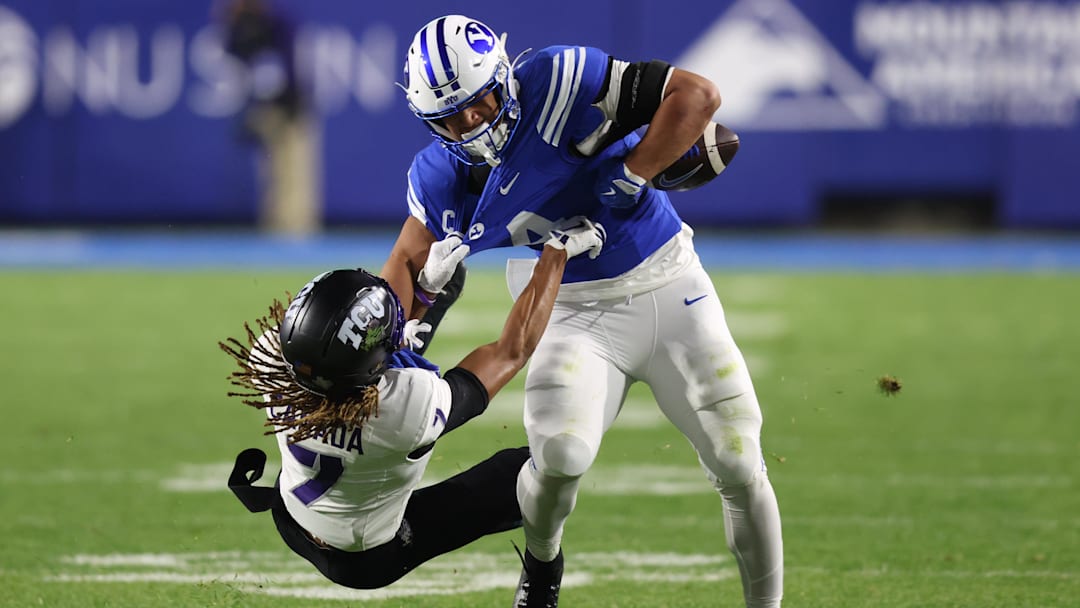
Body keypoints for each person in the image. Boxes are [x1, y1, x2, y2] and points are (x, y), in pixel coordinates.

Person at [385, 15, 784, 608]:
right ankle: (543, 566)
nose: (470, 122)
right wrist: (390, 339)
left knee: (738, 458)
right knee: (559, 456)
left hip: (667, 282)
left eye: (479, 101)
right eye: (449, 116)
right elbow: (405, 272)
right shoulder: (444, 177)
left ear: (503, 77)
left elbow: (697, 95)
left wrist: (631, 173)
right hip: (568, 307)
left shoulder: (559, 83)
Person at [219, 220, 606, 589]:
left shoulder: (270, 357)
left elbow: (365, 374)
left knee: (411, 327)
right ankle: (544, 575)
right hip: (365, 558)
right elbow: (510, 352)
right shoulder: (404, 410)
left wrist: (424, 295)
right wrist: (556, 255)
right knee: (530, 471)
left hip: (291, 516)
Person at [217, 0, 322, 236]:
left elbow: (292, 64)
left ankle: (298, 230)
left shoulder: (278, 21)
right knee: (271, 170)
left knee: (296, 168)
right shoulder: (243, 26)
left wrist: (294, 102)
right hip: (267, 106)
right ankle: (276, 227)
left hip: (291, 103)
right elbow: (233, 52)